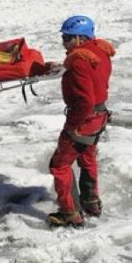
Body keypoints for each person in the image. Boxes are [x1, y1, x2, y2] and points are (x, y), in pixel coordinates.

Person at [47, 15, 116, 227]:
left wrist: (73, 126)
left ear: (79, 38)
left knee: (59, 164)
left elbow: (85, 100)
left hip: (84, 121)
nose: (64, 42)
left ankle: (70, 213)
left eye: (67, 38)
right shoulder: (100, 51)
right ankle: (91, 202)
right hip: (99, 117)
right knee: (87, 158)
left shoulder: (79, 61)